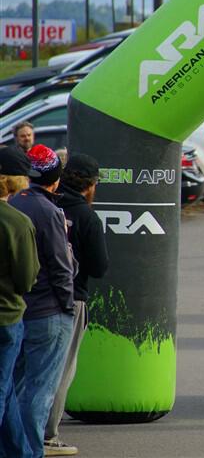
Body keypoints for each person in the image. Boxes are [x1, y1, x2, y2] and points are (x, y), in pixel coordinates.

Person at [8, 145, 76, 457]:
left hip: (19, 309)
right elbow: (63, 267)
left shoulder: (16, 203)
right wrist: (66, 305)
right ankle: (31, 451)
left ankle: (14, 448)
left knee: (13, 387)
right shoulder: (49, 212)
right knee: (40, 390)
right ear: (56, 180)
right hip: (48, 310)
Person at [44, 153, 108, 456]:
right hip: (72, 298)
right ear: (91, 185)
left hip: (35, 296)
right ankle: (47, 435)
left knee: (32, 369)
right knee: (61, 370)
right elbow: (99, 267)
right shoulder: (86, 217)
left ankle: (23, 429)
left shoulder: (47, 205)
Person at [0, 146, 41, 457]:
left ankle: (22, 452)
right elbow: (26, 278)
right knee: (2, 389)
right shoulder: (17, 222)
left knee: (8, 390)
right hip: (6, 317)